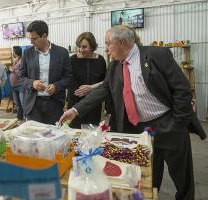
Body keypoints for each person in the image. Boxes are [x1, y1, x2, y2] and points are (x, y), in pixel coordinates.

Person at [60, 25, 206, 200]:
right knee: (148, 173)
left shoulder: (156, 55)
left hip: (168, 123)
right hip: (140, 129)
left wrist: (178, 122)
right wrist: (75, 110)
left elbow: (182, 88)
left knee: (181, 174)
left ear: (121, 42)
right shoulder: (115, 66)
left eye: (108, 44)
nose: (105, 49)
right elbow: (103, 90)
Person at [18, 20, 72, 125]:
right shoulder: (27, 53)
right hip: (33, 104)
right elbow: (20, 78)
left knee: (53, 136)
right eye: (30, 38)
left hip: (54, 103)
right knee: (34, 136)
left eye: (33, 39)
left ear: (44, 36)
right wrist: (32, 83)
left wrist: (56, 86)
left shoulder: (62, 53)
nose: (31, 42)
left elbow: (68, 77)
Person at [67, 32, 106, 128]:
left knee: (92, 133)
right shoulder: (72, 60)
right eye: (79, 46)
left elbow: (105, 82)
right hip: (75, 104)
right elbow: (69, 81)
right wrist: (81, 92)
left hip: (94, 105)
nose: (80, 50)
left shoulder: (100, 60)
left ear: (92, 46)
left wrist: (91, 89)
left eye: (84, 47)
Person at [9, 46, 24, 120]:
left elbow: (22, 73)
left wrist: (13, 70)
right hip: (13, 85)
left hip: (20, 85)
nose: (13, 53)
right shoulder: (15, 60)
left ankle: (26, 117)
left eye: (13, 51)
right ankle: (19, 117)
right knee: (17, 103)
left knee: (22, 102)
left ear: (16, 52)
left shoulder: (22, 60)